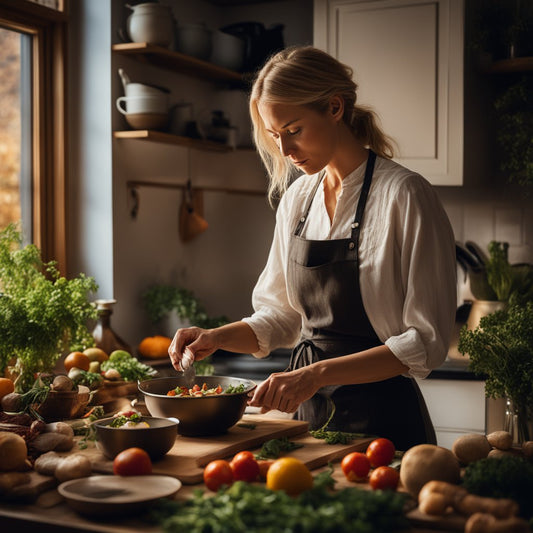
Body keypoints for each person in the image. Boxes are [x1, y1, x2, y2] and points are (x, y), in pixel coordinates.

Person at [169, 46, 457, 450]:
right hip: (307, 418)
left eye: (293, 130)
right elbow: (281, 317)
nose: (284, 151)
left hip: (384, 422)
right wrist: (216, 337)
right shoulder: (298, 199)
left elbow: (424, 342)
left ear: (335, 108)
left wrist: (315, 374)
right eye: (274, 135)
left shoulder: (405, 195)